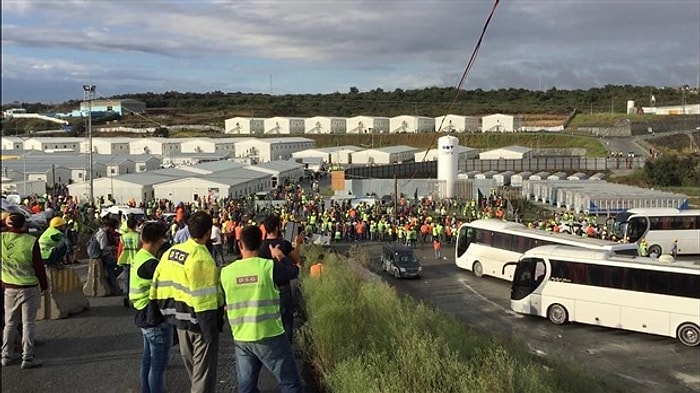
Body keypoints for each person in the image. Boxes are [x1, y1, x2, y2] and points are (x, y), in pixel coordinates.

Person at [220, 225, 302, 393]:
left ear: (239, 245)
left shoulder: (226, 272)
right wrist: (280, 256)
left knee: (246, 387)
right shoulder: (268, 267)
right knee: (289, 383)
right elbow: (294, 272)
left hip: (242, 336)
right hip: (270, 334)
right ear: (260, 243)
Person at [150, 211, 224, 393]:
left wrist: (156, 315)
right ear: (208, 233)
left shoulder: (172, 252)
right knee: (203, 375)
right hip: (198, 322)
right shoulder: (202, 259)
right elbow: (204, 298)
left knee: (194, 372)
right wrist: (211, 331)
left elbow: (156, 284)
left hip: (178, 321)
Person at [129, 221, 172, 393]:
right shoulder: (151, 264)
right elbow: (168, 284)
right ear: (159, 240)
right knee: (158, 366)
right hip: (153, 315)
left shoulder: (141, 256)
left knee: (148, 361)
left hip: (143, 313)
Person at [1, 213, 48, 369]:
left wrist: (6, 221)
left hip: (9, 287)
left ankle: (6, 356)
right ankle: (27, 358)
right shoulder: (30, 241)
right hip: (29, 288)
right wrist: (44, 285)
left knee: (9, 323)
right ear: (24, 225)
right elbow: (39, 267)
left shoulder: (2, 238)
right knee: (28, 323)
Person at [258, 215, 304, 344]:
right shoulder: (283, 245)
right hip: (283, 287)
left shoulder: (261, 247)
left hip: (266, 287)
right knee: (286, 321)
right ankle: (287, 347)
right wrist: (298, 244)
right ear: (277, 228)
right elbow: (296, 259)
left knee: (269, 320)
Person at [96, 217, 123, 295]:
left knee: (111, 271)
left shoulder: (104, 232)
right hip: (106, 255)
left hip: (106, 255)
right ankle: (113, 284)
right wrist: (112, 248)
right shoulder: (103, 234)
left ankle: (114, 287)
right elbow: (103, 247)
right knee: (121, 265)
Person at [118, 216, 140, 307]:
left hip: (126, 259)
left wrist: (118, 258)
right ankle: (135, 296)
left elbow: (120, 249)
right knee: (136, 279)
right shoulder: (138, 236)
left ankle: (126, 296)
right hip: (136, 259)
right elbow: (141, 248)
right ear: (136, 225)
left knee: (126, 279)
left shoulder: (123, 237)